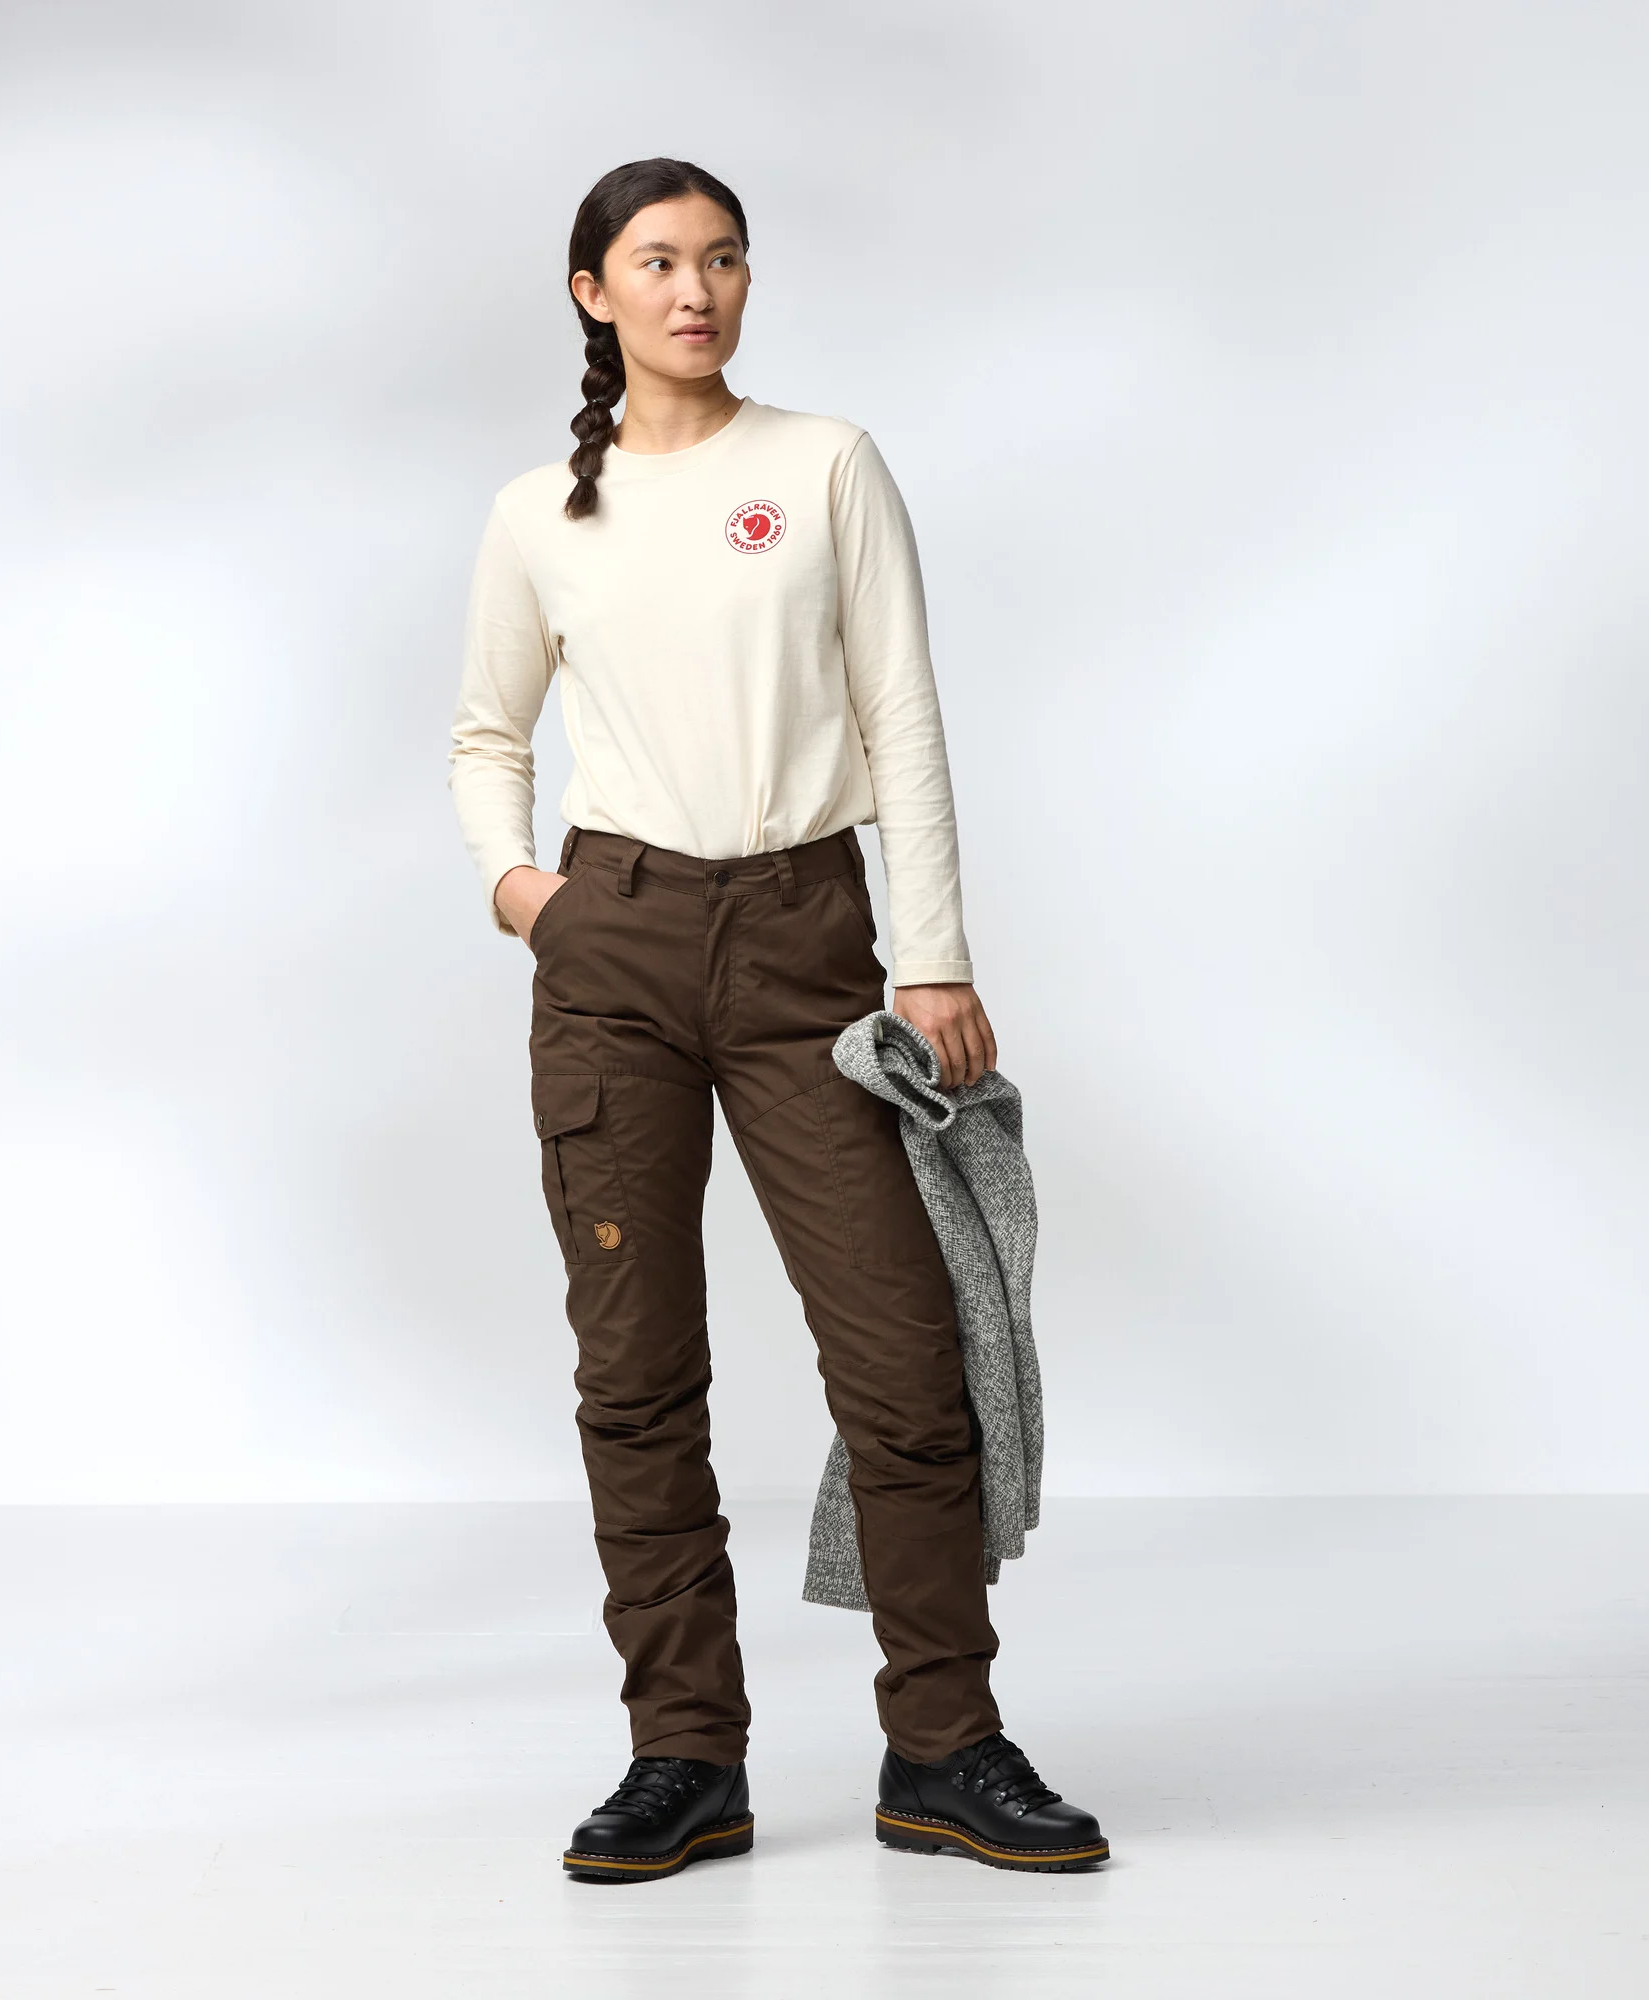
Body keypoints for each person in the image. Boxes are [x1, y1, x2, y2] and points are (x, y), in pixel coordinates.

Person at [448, 157, 1107, 1882]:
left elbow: (901, 712)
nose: (698, 290)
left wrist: (933, 953)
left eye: (725, 258)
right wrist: (526, 893)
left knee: (905, 1361)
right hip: (615, 949)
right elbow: (487, 733)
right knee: (635, 1376)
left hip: (809, 942)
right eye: (660, 261)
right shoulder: (540, 514)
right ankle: (685, 1757)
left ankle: (943, 1749)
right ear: (593, 289)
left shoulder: (824, 465)